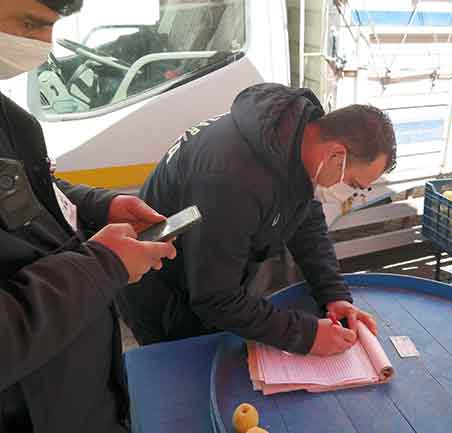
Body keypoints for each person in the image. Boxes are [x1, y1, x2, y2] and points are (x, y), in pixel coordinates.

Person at [0, 1, 177, 432]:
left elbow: (25, 188)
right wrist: (103, 264)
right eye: (29, 24)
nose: (43, 45)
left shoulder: (10, 119)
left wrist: (99, 208)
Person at [118, 83, 396, 356]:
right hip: (163, 290)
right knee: (184, 381)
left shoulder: (293, 141)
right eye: (354, 184)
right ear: (337, 154)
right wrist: (308, 336)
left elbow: (306, 221)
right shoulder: (231, 178)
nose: (350, 194)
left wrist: (334, 294)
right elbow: (216, 298)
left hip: (210, 272)